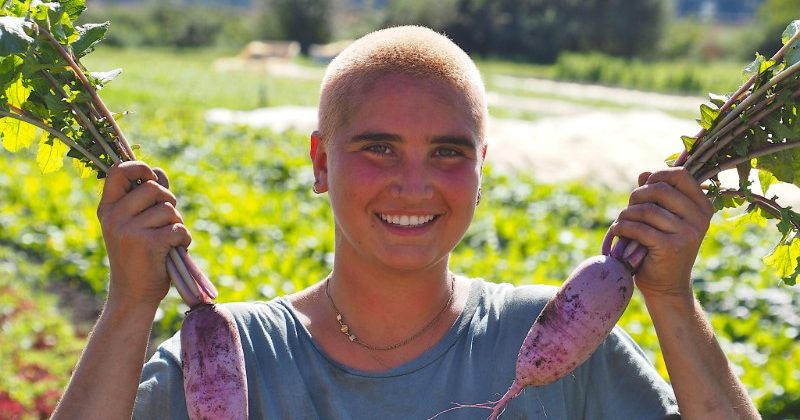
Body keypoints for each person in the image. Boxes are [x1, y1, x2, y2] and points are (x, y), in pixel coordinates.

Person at [52, 26, 759, 419]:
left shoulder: (562, 348)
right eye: (379, 147)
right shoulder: (228, 356)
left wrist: (671, 299)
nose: (414, 182)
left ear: (481, 169)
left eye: (447, 152)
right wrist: (128, 306)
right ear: (321, 162)